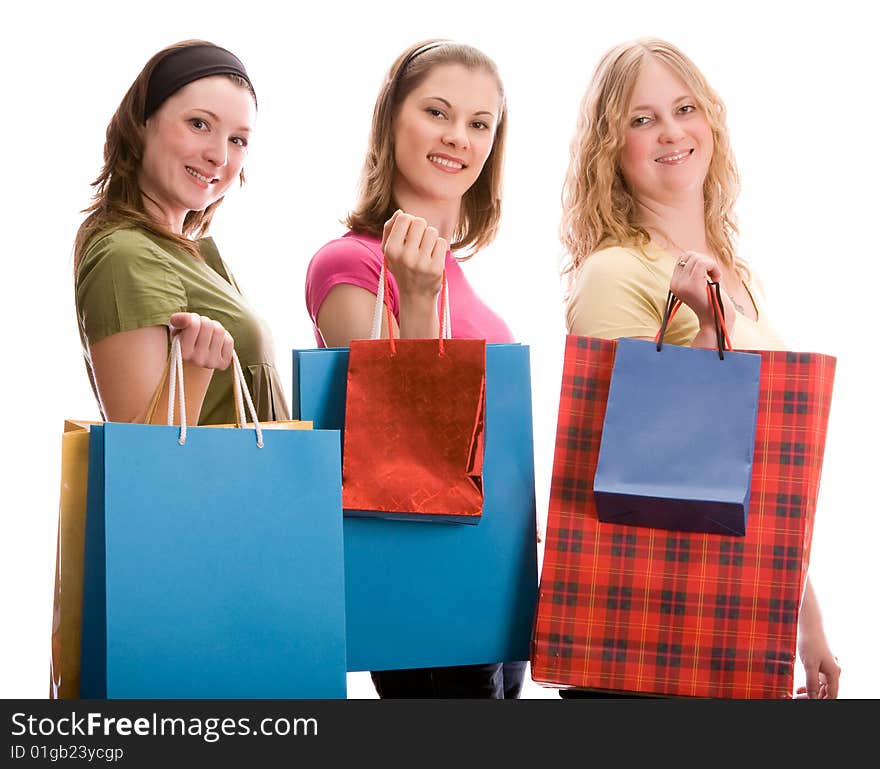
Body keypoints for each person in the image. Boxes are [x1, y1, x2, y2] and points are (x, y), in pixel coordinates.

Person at [558, 37, 840, 699]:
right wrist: (709, 331)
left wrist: (806, 622)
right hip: (650, 643)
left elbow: (758, 481)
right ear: (609, 148)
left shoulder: (740, 280)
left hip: (733, 625)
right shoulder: (615, 272)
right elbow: (632, 477)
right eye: (642, 118)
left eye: (684, 107)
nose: (671, 131)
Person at [304, 39, 524, 698]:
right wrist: (420, 297)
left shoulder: (454, 271)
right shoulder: (350, 266)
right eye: (437, 112)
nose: (459, 137)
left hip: (490, 566)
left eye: (479, 124)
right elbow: (399, 448)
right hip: (426, 582)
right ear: (391, 121)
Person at [75, 40, 288, 427]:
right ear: (142, 122)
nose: (219, 156)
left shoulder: (185, 254)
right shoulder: (126, 255)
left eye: (237, 140)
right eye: (199, 124)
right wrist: (195, 370)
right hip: (218, 489)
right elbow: (141, 455)